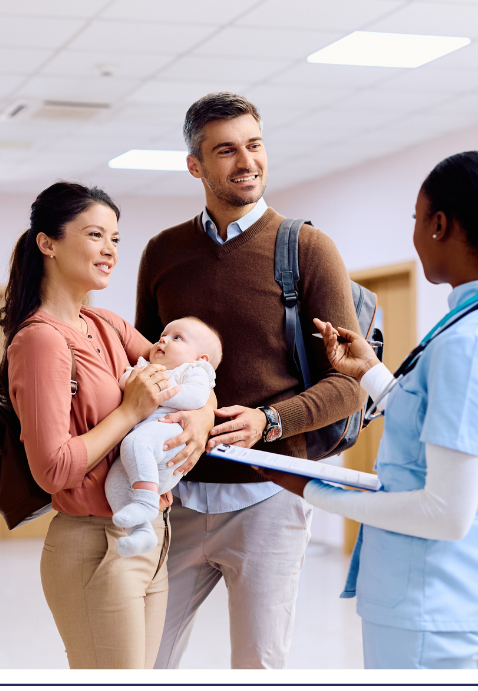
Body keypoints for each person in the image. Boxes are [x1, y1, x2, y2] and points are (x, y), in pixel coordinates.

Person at [255, 151, 478, 670]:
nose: (413, 234)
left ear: (439, 225)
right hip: (449, 590)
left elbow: (444, 513)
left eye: (415, 220)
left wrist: (314, 488)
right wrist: (367, 370)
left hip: (429, 594)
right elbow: (434, 417)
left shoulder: (471, 342)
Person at [137, 93, 367, 670]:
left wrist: (268, 420)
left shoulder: (308, 249)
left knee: (259, 665)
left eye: (255, 145)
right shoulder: (163, 254)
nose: (247, 161)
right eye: (226, 150)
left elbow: (351, 388)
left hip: (269, 501)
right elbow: (144, 371)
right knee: (140, 659)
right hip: (176, 499)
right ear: (196, 165)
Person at [0, 182, 216, 670]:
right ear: (48, 243)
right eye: (96, 235)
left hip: (152, 533)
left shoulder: (106, 324)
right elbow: (53, 470)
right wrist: (130, 412)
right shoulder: (41, 342)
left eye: (115, 238)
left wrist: (201, 414)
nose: (110, 250)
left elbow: (192, 373)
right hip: (93, 543)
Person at [106, 318, 223, 557]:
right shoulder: (145, 367)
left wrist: (151, 392)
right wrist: (135, 380)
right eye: (163, 334)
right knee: (114, 482)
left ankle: (146, 504)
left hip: (172, 436)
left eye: (176, 338)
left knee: (135, 443)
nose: (163, 339)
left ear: (201, 358)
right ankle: (141, 531)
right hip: (146, 458)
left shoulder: (193, 371)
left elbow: (195, 398)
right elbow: (122, 381)